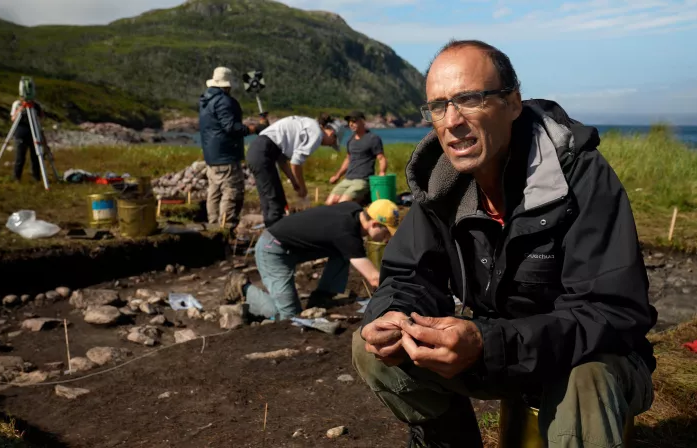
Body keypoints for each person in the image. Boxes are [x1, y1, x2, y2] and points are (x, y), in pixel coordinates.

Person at [352, 40, 657, 448]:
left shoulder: (580, 178)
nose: (452, 120)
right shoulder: (441, 187)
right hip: (500, 352)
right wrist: (393, 317)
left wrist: (487, 343)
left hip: (588, 358)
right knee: (372, 349)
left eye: (470, 99)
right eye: (438, 106)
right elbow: (409, 274)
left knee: (587, 378)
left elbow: (612, 313)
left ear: (513, 103)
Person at [223, 199, 400, 320]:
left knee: (345, 253)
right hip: (272, 250)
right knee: (288, 316)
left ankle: (322, 297)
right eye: (386, 231)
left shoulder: (353, 210)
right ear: (375, 224)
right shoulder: (346, 233)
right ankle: (242, 287)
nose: (387, 238)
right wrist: (397, 300)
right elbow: (375, 279)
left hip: (295, 248)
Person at [199, 67, 268, 231]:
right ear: (226, 85)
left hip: (212, 157)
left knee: (215, 192)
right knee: (232, 191)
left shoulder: (205, 101)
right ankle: (226, 229)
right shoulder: (224, 101)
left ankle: (213, 228)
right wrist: (255, 128)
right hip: (227, 156)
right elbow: (231, 127)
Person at [247, 114, 340, 228]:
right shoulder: (317, 134)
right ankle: (274, 238)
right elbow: (295, 163)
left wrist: (295, 182)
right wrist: (303, 187)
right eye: (332, 143)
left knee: (272, 201)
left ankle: (270, 232)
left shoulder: (308, 123)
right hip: (263, 153)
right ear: (332, 133)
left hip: (257, 151)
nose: (329, 146)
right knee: (275, 204)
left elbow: (282, 161)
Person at [327, 111, 387, 205]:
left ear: (362, 121)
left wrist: (382, 172)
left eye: (354, 121)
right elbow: (348, 159)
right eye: (349, 122)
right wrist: (337, 176)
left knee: (343, 203)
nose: (351, 124)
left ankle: (364, 198)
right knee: (330, 202)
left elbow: (381, 158)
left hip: (362, 180)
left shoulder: (373, 138)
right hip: (348, 179)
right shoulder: (350, 140)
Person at [10, 77, 44, 182]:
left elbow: (41, 117)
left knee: (36, 157)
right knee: (20, 157)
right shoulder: (17, 104)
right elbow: (13, 118)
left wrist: (34, 108)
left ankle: (36, 177)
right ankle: (16, 177)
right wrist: (22, 108)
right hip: (21, 133)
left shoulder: (36, 105)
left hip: (34, 133)